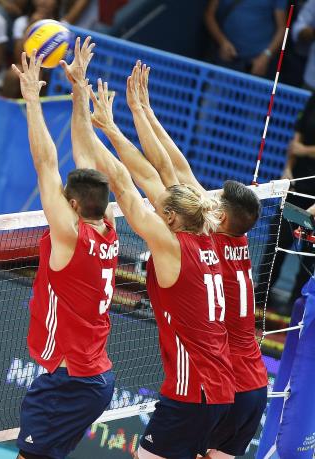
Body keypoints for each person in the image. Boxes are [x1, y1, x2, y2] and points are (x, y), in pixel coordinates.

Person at [63, 39, 235, 458]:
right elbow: (160, 172)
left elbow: (126, 185)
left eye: (161, 210)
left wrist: (83, 101)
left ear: (170, 218)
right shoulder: (210, 230)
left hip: (192, 391)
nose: (156, 208)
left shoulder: (172, 247)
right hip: (220, 387)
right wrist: (117, 123)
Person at [129, 63, 268, 459]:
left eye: (216, 199)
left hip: (226, 383)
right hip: (254, 385)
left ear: (219, 216)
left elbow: (167, 170)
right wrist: (146, 111)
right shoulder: (238, 236)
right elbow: (177, 166)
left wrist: (139, 111)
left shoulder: (209, 238)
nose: (209, 197)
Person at [11, 45, 116, 459]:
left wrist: (32, 100)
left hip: (70, 381)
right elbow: (86, 155)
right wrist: (77, 88)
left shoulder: (71, 236)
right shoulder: (109, 223)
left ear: (73, 205)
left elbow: (46, 163)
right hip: (94, 378)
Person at [257, 93, 315, 314]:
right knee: (278, 241)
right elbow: (295, 141)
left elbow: (300, 147)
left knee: (309, 253)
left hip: (314, 197)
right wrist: (288, 169)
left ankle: (298, 304)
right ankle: (261, 294)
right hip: (296, 187)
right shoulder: (313, 100)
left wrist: (305, 151)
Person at [204, 0, 287, 77]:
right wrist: (222, 42)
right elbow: (209, 15)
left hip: (257, 62)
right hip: (226, 58)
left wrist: (266, 56)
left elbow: (282, 28)